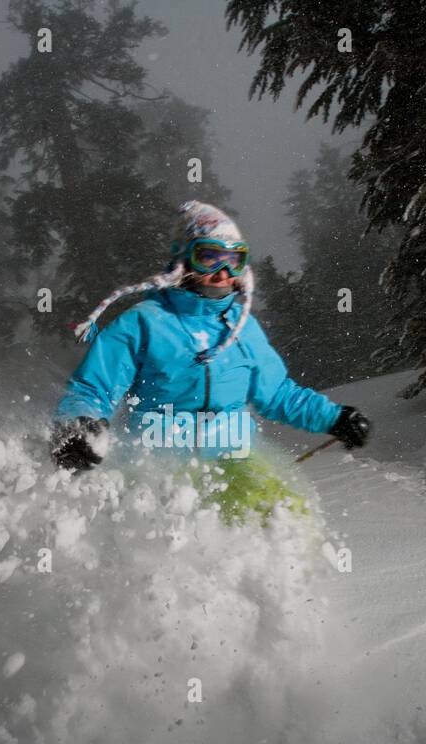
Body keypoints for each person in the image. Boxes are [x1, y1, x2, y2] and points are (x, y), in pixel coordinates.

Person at [50, 200, 372, 522]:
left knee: (285, 513)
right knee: (167, 537)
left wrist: (333, 418)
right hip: (156, 463)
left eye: (234, 260)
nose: (222, 272)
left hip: (233, 459)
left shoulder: (243, 328)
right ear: (183, 260)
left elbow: (276, 394)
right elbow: (93, 388)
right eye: (209, 257)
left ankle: (273, 569)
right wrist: (81, 424)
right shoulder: (143, 323)